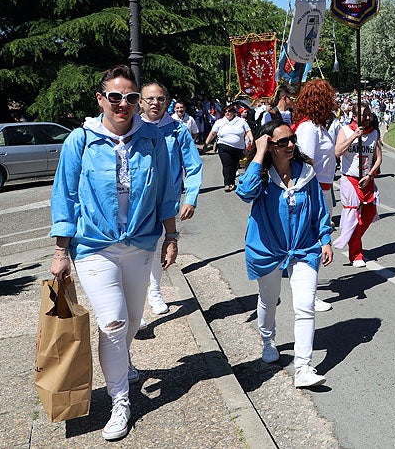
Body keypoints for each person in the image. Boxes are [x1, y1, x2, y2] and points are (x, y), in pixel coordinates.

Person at [49, 64, 179, 441]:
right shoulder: (81, 140)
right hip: (94, 247)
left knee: (132, 322)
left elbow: (165, 192)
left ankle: (122, 361)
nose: (123, 104)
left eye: (131, 97)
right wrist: (61, 249)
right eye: (115, 97)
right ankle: (119, 401)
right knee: (113, 323)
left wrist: (171, 237)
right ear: (101, 99)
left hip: (140, 245)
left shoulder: (153, 138)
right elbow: (65, 195)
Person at [236, 121, 333, 388]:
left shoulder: (307, 173)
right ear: (269, 145)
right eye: (281, 142)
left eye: (291, 139)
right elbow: (244, 192)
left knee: (304, 306)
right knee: (269, 301)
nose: (290, 145)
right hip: (268, 250)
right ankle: (267, 340)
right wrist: (258, 154)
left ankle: (303, 367)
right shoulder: (261, 175)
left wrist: (325, 239)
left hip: (304, 248)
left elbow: (319, 210)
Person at [140, 83, 203, 317]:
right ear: (141, 101)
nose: (155, 103)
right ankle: (134, 300)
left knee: (158, 247)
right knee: (134, 250)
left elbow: (194, 166)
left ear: (166, 102)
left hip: (166, 201)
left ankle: (154, 291)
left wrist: (191, 198)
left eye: (160, 99)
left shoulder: (177, 131)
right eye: (150, 99)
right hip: (137, 202)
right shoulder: (132, 129)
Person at [293, 79, 342, 312]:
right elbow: (306, 162)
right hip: (315, 190)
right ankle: (308, 296)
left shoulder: (317, 126)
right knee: (314, 244)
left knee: (315, 243)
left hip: (323, 188)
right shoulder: (309, 129)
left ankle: (308, 292)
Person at [334, 105, 382, 267]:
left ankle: (352, 239)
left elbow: (378, 159)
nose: (367, 118)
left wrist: (370, 175)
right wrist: (354, 137)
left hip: (367, 179)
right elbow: (337, 152)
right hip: (350, 180)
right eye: (363, 115)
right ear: (354, 117)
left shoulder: (374, 133)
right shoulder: (345, 131)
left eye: (369, 115)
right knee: (353, 216)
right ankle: (356, 254)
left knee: (370, 213)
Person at [205, 104, 253, 192]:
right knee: (227, 165)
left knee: (234, 165)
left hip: (238, 147)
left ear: (234, 112)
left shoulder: (241, 121)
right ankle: (227, 183)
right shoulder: (220, 122)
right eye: (225, 111)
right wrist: (206, 144)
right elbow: (213, 133)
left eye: (229, 111)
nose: (227, 113)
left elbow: (248, 131)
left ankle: (232, 182)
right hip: (224, 146)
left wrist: (252, 139)